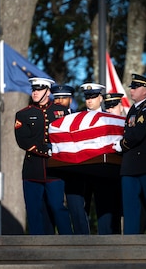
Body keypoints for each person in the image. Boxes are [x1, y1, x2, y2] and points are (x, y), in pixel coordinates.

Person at [14, 77, 72, 235]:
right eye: (33, 89)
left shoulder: (61, 111)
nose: (34, 92)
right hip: (33, 169)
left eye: (38, 89)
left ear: (47, 92)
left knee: (57, 206)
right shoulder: (23, 114)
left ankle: (69, 241)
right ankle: (37, 246)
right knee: (34, 210)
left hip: (55, 169)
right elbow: (23, 140)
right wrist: (46, 151)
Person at [112, 73, 146, 234]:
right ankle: (130, 239)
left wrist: (122, 145)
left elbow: (137, 134)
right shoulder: (134, 110)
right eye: (132, 87)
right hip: (131, 165)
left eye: (135, 87)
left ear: (145, 90)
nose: (132, 90)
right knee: (129, 206)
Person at [80, 82, 121, 234]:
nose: (89, 100)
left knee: (105, 207)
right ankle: (82, 242)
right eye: (87, 97)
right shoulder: (77, 118)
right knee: (82, 207)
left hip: (103, 169)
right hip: (83, 168)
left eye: (93, 97)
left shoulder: (109, 118)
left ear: (100, 98)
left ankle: (107, 240)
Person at [51, 84, 90, 235]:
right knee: (55, 205)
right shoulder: (48, 116)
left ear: (70, 99)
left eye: (63, 98)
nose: (59, 101)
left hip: (75, 168)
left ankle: (83, 241)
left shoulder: (77, 118)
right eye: (57, 97)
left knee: (76, 206)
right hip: (56, 167)